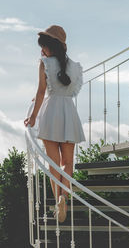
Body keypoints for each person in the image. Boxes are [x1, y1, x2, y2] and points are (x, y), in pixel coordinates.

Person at [24, 25, 86, 223]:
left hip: (50, 113)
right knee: (67, 162)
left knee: (53, 164)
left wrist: (33, 117)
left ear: (51, 46)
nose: (42, 50)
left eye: (44, 46)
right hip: (69, 111)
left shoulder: (44, 64)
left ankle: (56, 199)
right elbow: (73, 90)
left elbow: (41, 92)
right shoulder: (75, 66)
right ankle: (63, 197)